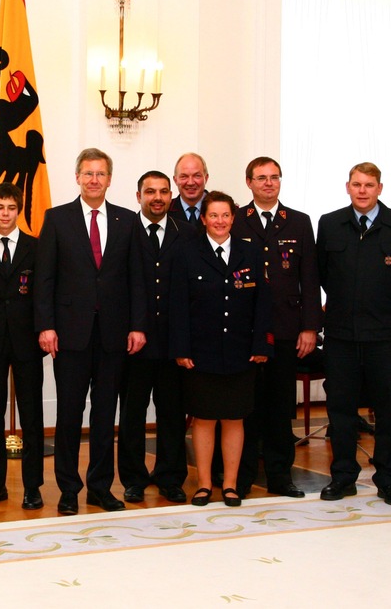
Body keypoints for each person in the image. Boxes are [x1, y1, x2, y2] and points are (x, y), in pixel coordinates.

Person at [35, 148, 147, 515]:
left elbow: (137, 281)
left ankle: (100, 487)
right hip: (69, 335)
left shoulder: (128, 221)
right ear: (78, 177)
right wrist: (46, 326)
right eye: (88, 173)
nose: (94, 180)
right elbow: (44, 280)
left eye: (101, 174)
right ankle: (69, 489)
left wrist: (137, 326)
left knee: (104, 415)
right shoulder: (56, 219)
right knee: (68, 414)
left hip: (115, 335)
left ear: (110, 179)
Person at [316, 162, 391, 506]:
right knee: (340, 411)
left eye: (369, 185)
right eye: (356, 184)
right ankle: (343, 477)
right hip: (341, 336)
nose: (362, 190)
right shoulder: (329, 225)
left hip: (385, 339)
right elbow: (324, 276)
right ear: (347, 187)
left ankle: (389, 479)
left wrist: (386, 314)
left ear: (380, 188)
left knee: (388, 411)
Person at [170, 191, 272, 507]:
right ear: (203, 219)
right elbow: (179, 307)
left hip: (241, 351)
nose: (220, 221)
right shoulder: (187, 253)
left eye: (225, 215)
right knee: (203, 419)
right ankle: (203, 484)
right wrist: (181, 348)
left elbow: (261, 304)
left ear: (233, 218)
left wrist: (260, 345)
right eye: (213, 215)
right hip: (201, 352)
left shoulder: (251, 253)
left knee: (234, 418)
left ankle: (229, 484)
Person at [233, 157, 320, 499]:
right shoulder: (236, 220)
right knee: (245, 406)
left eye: (274, 178)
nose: (268, 183)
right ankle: (241, 476)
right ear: (249, 182)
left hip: (286, 330)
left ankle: (280, 476)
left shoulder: (298, 222)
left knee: (281, 408)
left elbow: (309, 279)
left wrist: (310, 327)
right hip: (245, 331)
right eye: (261, 178)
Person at [0, 183, 45, 510]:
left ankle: (33, 487)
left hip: (28, 341)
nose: (4, 214)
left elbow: (42, 296)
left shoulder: (36, 247)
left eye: (10, 208)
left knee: (32, 416)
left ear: (19, 211)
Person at [118, 171, 188, 504]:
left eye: (163, 192)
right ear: (138, 196)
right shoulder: (123, 231)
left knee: (172, 414)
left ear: (171, 196)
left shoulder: (186, 232)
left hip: (173, 343)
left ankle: (170, 476)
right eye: (150, 192)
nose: (157, 197)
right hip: (135, 342)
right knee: (132, 413)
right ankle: (133, 478)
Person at [169, 152, 209, 230]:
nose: (190, 182)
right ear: (175, 180)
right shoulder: (165, 212)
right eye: (184, 176)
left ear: (206, 178)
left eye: (197, 176)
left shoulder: (225, 211)